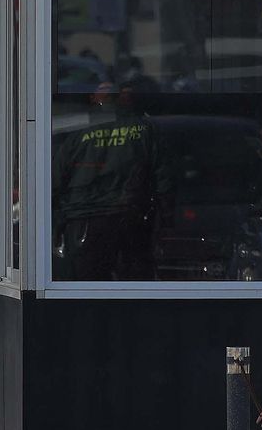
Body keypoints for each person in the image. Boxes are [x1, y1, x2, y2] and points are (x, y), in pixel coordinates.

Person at [50, 80, 175, 281]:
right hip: (131, 216)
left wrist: (56, 225)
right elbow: (162, 178)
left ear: (94, 99)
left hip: (85, 220)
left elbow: (56, 180)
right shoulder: (143, 128)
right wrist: (166, 219)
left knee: (88, 285)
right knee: (134, 284)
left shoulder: (80, 132)